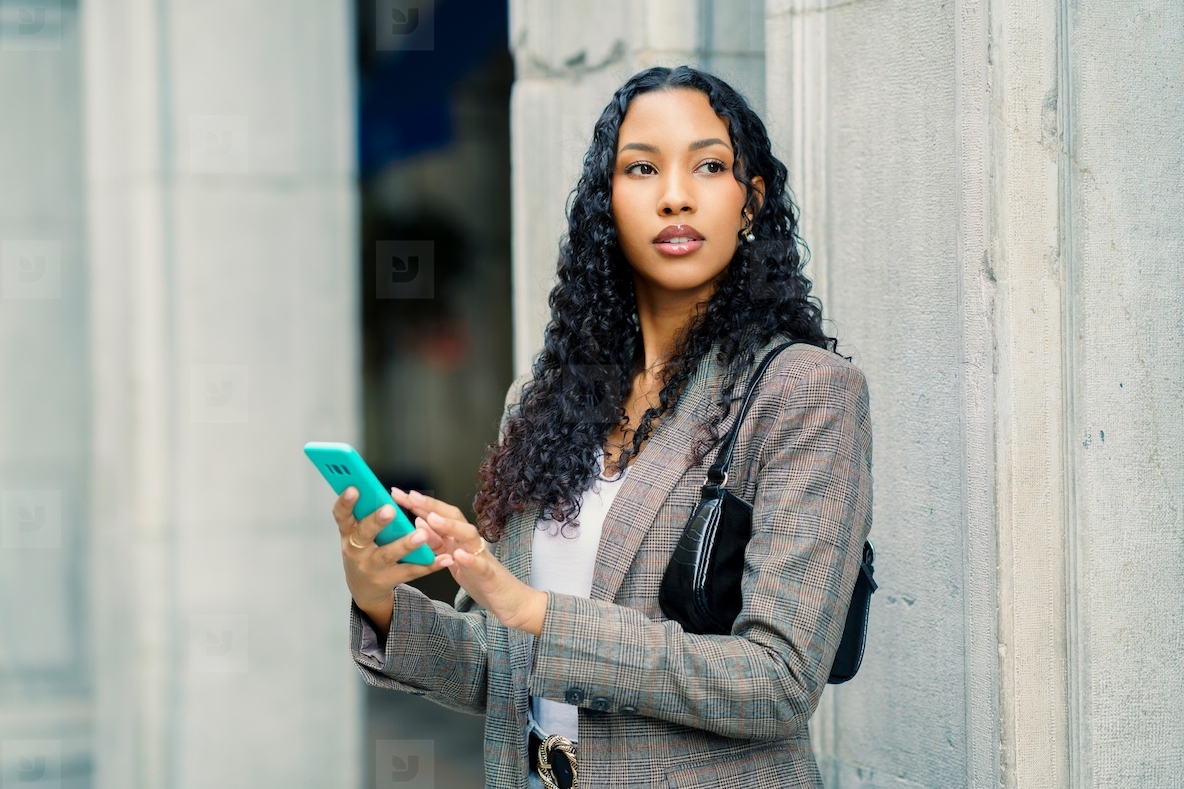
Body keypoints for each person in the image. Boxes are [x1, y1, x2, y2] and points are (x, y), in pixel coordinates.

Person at [333, 65, 873, 789]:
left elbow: (777, 681)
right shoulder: (544, 401)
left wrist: (535, 611)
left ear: (751, 201)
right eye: (642, 168)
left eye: (709, 166)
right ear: (607, 205)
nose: (675, 195)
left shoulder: (802, 392)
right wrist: (378, 598)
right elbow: (496, 665)